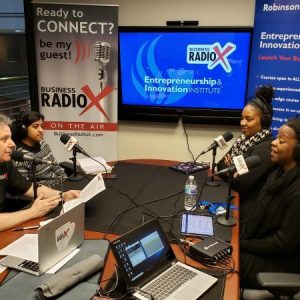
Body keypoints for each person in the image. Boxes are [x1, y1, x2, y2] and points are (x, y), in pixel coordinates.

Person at [240, 117, 300, 289]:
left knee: (222, 261)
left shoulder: (297, 192)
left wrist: (240, 243)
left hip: (283, 265)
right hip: (263, 250)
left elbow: (281, 244)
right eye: (276, 138)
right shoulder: (278, 173)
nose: (273, 143)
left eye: (281, 141)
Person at [0, 113, 80, 231]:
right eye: (4, 139)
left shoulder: (5, 164)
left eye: (10, 138)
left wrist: (63, 195)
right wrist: (33, 212)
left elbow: (31, 188)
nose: (12, 144)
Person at [217, 85, 276, 220]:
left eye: (249, 119)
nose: (242, 123)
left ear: (263, 122)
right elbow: (220, 165)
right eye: (242, 118)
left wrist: (229, 168)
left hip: (250, 212)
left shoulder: (266, 147)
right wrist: (233, 170)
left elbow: (242, 183)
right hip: (235, 198)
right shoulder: (243, 140)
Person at [11, 110, 67, 187]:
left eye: (42, 126)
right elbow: (26, 188)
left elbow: (56, 167)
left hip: (61, 185)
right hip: (46, 193)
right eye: (35, 126)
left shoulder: (42, 143)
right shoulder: (20, 156)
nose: (41, 130)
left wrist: (66, 182)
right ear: (23, 129)